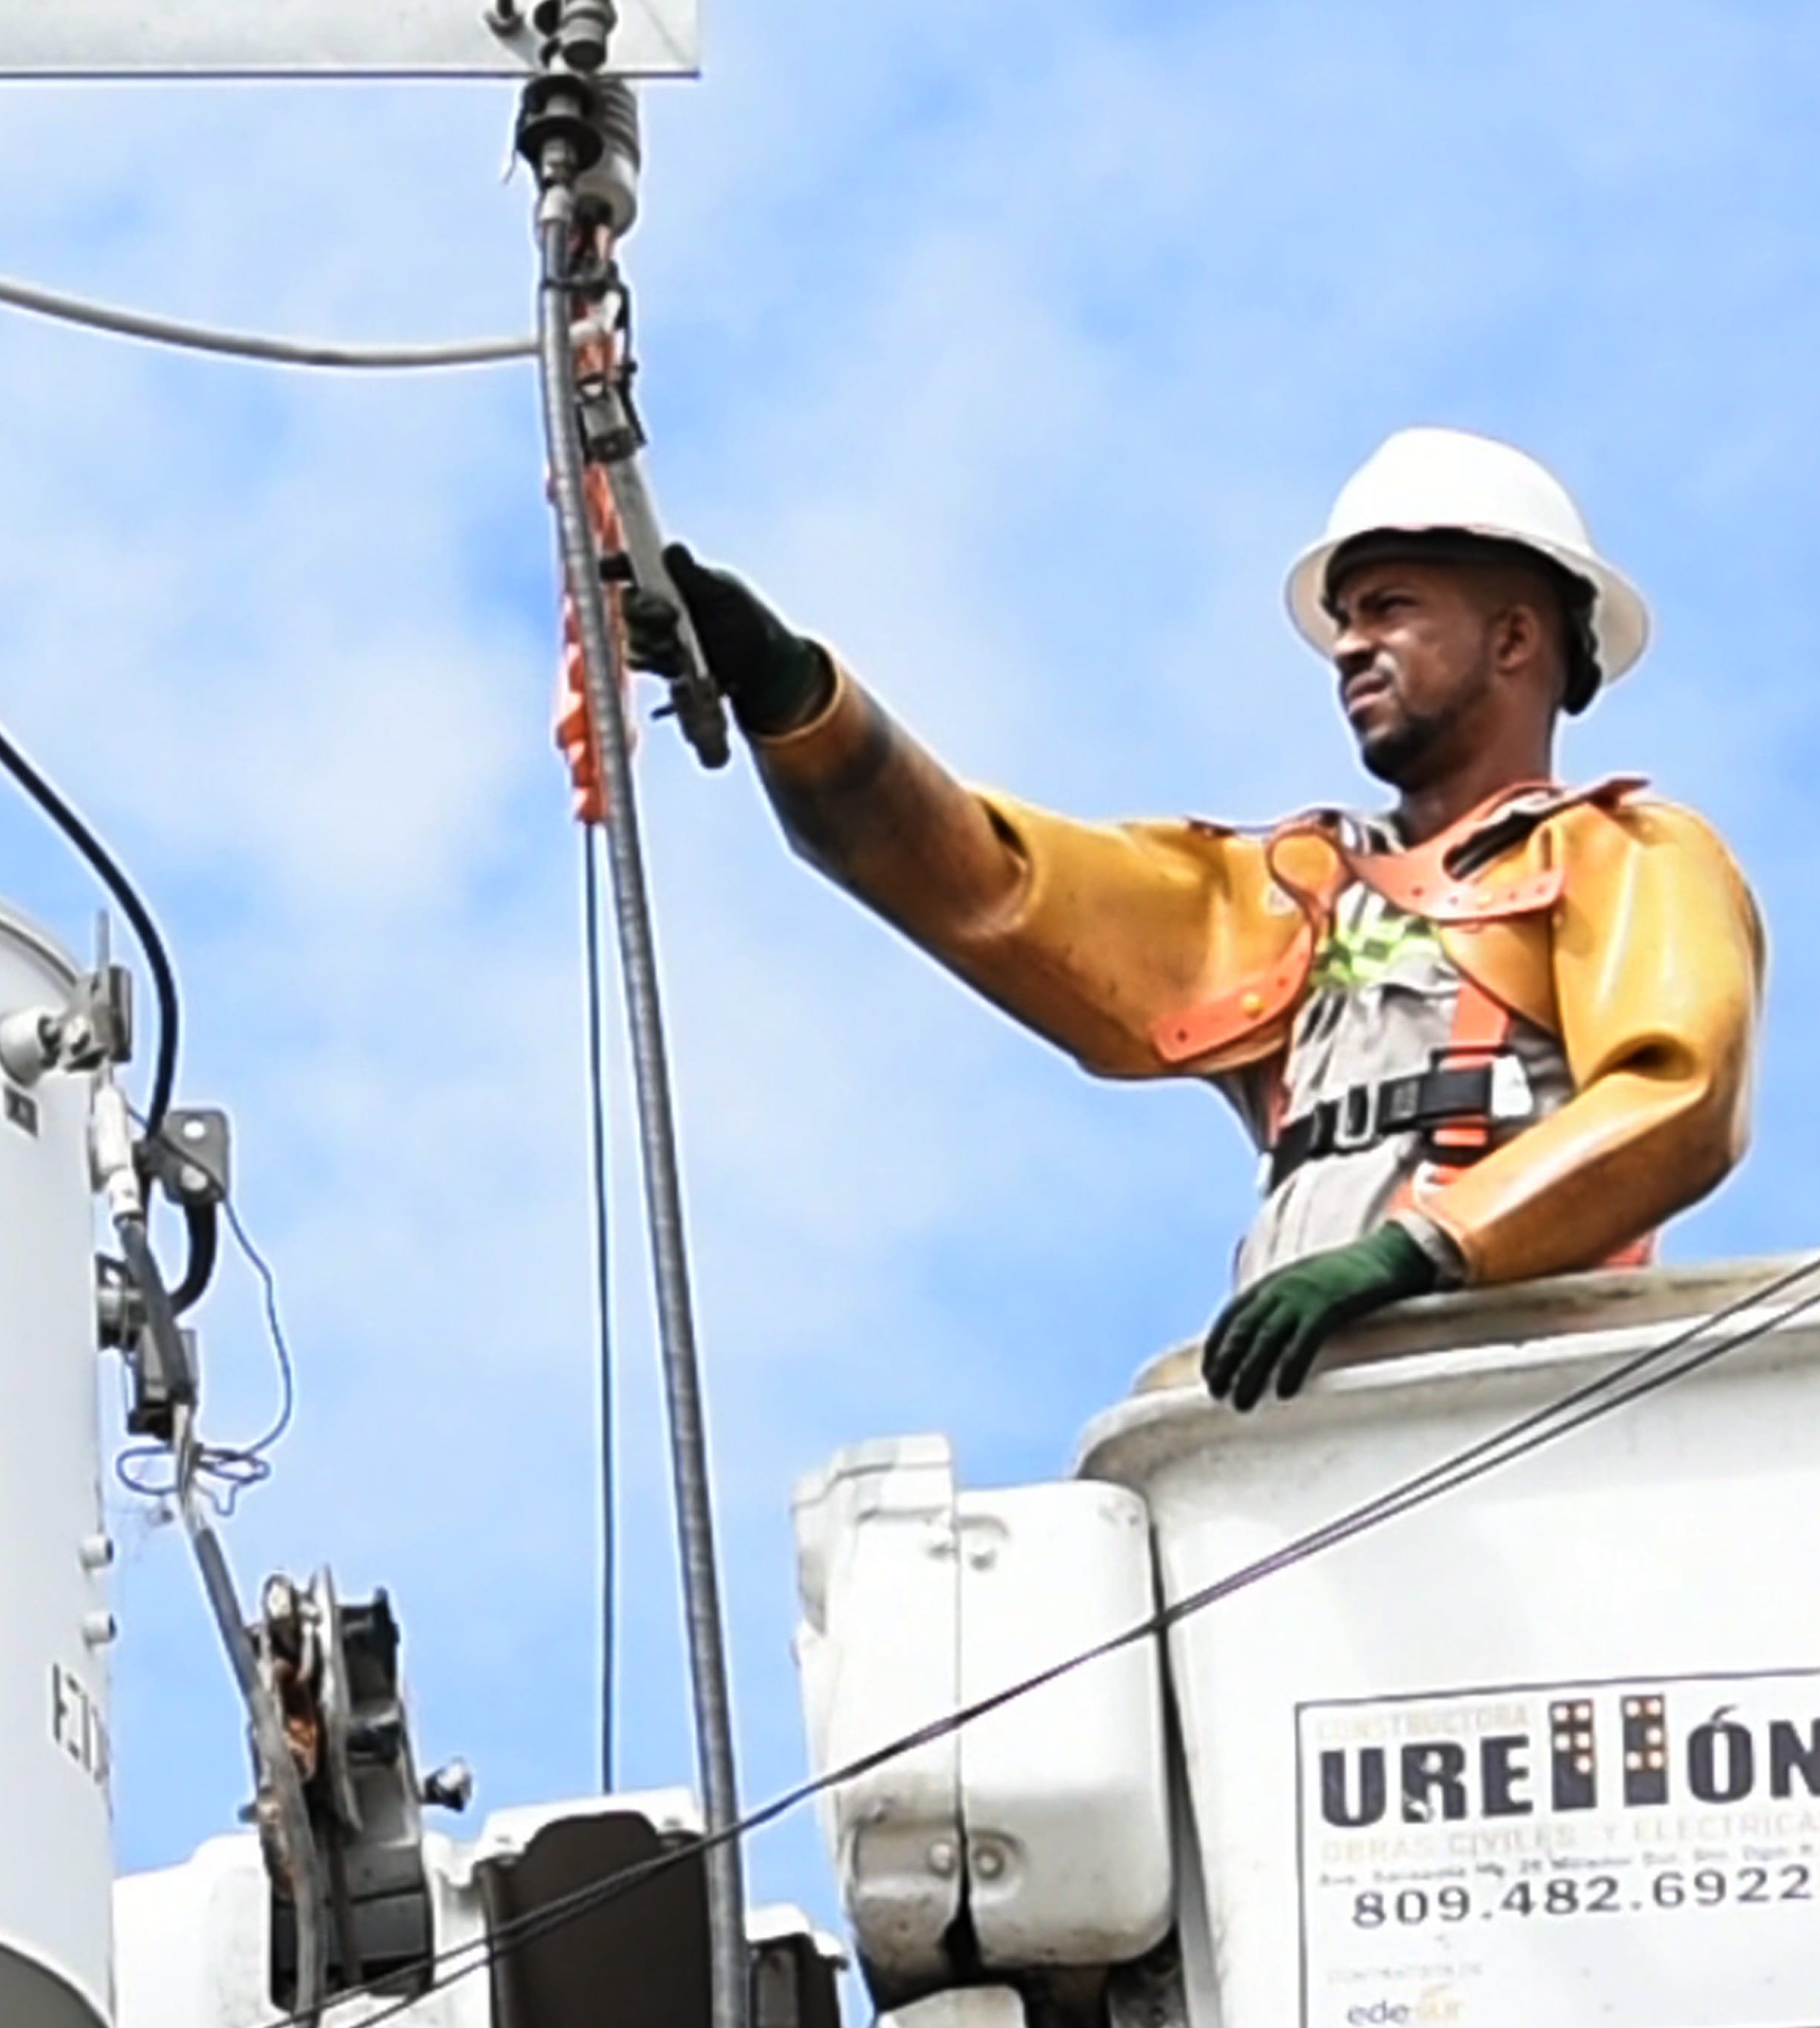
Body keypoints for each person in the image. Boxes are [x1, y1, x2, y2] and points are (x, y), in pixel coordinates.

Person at [654, 431, 1762, 1408]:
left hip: (1509, 1376)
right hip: (1302, 1393)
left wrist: (1423, 1248)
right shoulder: (1294, 890)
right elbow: (993, 887)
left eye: (1391, 609)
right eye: (1343, 619)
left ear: (1515, 640)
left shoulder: (1625, 857)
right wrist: (789, 694)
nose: (1347, 648)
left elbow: (1674, 1088)